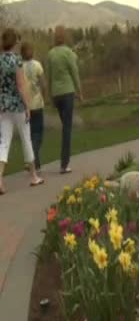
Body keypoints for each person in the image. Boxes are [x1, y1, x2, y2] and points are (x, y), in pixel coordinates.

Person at [0, 29, 44, 194]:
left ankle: (0, 179)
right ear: (14, 42)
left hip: (3, 107)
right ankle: (34, 176)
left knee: (4, 142)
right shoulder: (16, 60)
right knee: (26, 139)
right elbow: (20, 84)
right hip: (17, 105)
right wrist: (27, 106)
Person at [47, 25, 82, 174]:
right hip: (67, 92)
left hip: (56, 94)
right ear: (65, 37)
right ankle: (64, 163)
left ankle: (64, 161)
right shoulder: (68, 52)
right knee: (67, 128)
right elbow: (74, 72)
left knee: (64, 125)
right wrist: (80, 91)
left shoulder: (50, 54)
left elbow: (49, 76)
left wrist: (50, 95)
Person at [21, 41, 46, 172]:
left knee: (29, 135)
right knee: (38, 133)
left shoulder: (19, 66)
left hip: (24, 105)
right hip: (36, 103)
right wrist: (45, 97)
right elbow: (43, 84)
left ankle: (35, 163)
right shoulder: (37, 65)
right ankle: (32, 160)